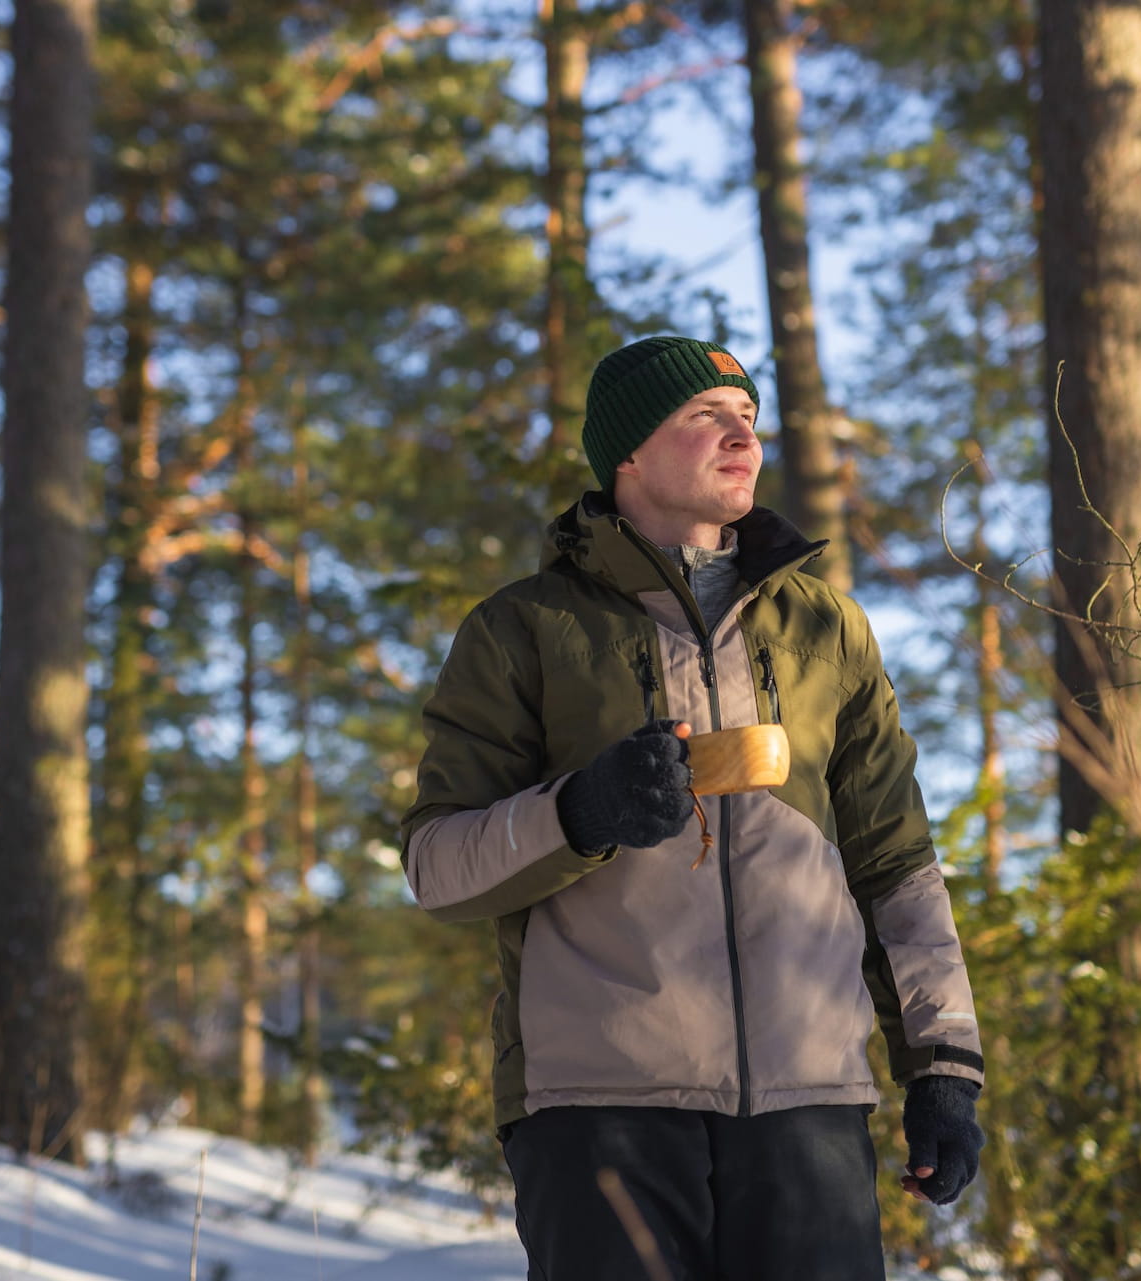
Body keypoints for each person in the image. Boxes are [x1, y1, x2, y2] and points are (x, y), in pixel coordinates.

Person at [399, 336, 984, 1280]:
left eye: (748, 416)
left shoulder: (826, 627)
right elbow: (437, 864)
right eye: (704, 416)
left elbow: (895, 863)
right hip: (600, 1108)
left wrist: (944, 1067)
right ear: (628, 452)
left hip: (809, 1104)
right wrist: (580, 812)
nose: (741, 436)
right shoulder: (527, 627)